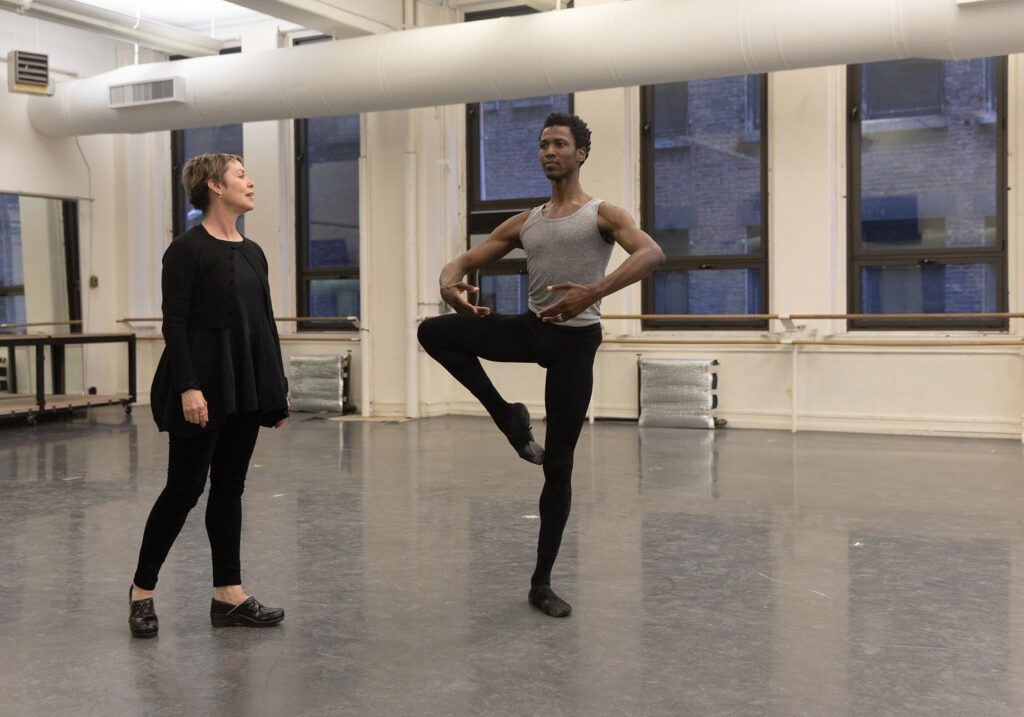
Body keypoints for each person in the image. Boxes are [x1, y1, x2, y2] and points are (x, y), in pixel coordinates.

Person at [418, 112, 665, 617]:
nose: (548, 152)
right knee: (433, 331)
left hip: (575, 343)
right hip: (532, 330)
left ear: (581, 153)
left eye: (558, 144)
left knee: (558, 464)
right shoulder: (527, 222)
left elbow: (651, 253)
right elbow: (462, 261)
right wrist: (448, 284)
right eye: (543, 145)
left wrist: (594, 292)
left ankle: (541, 582)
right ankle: (507, 415)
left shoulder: (602, 214)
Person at [128, 153, 289, 638]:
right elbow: (174, 323)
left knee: (230, 489)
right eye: (241, 175)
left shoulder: (253, 251)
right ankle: (141, 593)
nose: (251, 182)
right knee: (183, 490)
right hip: (202, 382)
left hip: (243, 385)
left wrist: (275, 388)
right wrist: (189, 386)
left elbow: (263, 324)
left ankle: (228, 595)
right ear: (215, 186)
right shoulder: (186, 249)